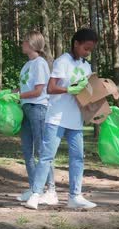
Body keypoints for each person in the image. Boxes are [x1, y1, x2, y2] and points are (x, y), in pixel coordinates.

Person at [25, 28, 98, 210]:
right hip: (56, 117)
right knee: (47, 157)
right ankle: (36, 194)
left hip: (76, 120)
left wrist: (98, 104)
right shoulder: (62, 61)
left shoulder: (86, 66)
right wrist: (68, 89)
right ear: (76, 44)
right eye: (85, 48)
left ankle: (75, 196)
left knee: (77, 158)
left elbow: (88, 93)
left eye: (90, 50)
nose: (87, 53)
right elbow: (50, 88)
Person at [1, 31, 57, 204]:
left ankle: (51, 190)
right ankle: (34, 188)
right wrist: (10, 93)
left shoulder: (40, 64)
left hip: (38, 108)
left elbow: (39, 91)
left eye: (24, 41)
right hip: (26, 108)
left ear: (32, 44)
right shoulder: (27, 65)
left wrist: (18, 96)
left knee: (42, 150)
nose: (22, 44)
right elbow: (25, 88)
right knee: (27, 150)